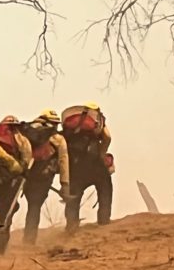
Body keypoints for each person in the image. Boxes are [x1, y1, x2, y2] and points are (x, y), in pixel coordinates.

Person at [20, 109, 71, 244]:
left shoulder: (26, 133)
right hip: (43, 177)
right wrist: (64, 184)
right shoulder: (58, 139)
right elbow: (63, 161)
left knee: (13, 206)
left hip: (24, 175)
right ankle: (29, 240)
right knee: (34, 207)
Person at [61, 103, 113, 233]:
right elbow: (107, 137)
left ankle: (71, 226)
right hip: (94, 162)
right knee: (105, 187)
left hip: (75, 165)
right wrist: (101, 154)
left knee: (74, 195)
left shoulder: (70, 126)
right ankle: (104, 221)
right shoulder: (97, 121)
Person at [0, 115, 34, 252]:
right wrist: (23, 171)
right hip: (10, 181)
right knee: (6, 212)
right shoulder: (21, 140)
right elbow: (26, 160)